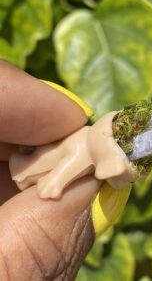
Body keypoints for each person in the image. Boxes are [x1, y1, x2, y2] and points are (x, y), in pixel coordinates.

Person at [0, 60, 100, 280]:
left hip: (47, 158)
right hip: (44, 163)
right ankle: (23, 170)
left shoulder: (86, 144)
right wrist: (54, 183)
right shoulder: (83, 145)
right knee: (36, 166)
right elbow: (64, 170)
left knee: (37, 164)